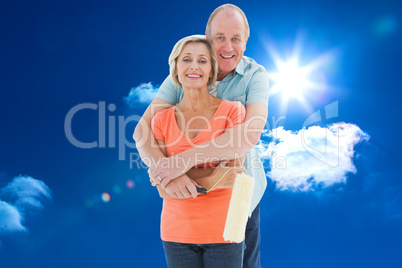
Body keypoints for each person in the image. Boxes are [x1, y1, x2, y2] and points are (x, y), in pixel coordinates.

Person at [134, 4, 269, 268]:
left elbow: (249, 133)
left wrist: (183, 160)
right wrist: (165, 175)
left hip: (241, 189)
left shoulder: (255, 75)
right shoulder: (185, 73)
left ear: (246, 42)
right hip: (184, 202)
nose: (228, 47)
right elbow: (143, 131)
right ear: (208, 39)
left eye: (235, 39)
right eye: (220, 38)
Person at [152, 34, 247, 267]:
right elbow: (162, 190)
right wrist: (212, 176)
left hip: (227, 229)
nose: (194, 66)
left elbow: (233, 175)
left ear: (212, 69)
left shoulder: (234, 111)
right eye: (186, 59)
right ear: (175, 68)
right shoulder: (161, 119)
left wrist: (177, 177)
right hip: (176, 232)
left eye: (203, 61)